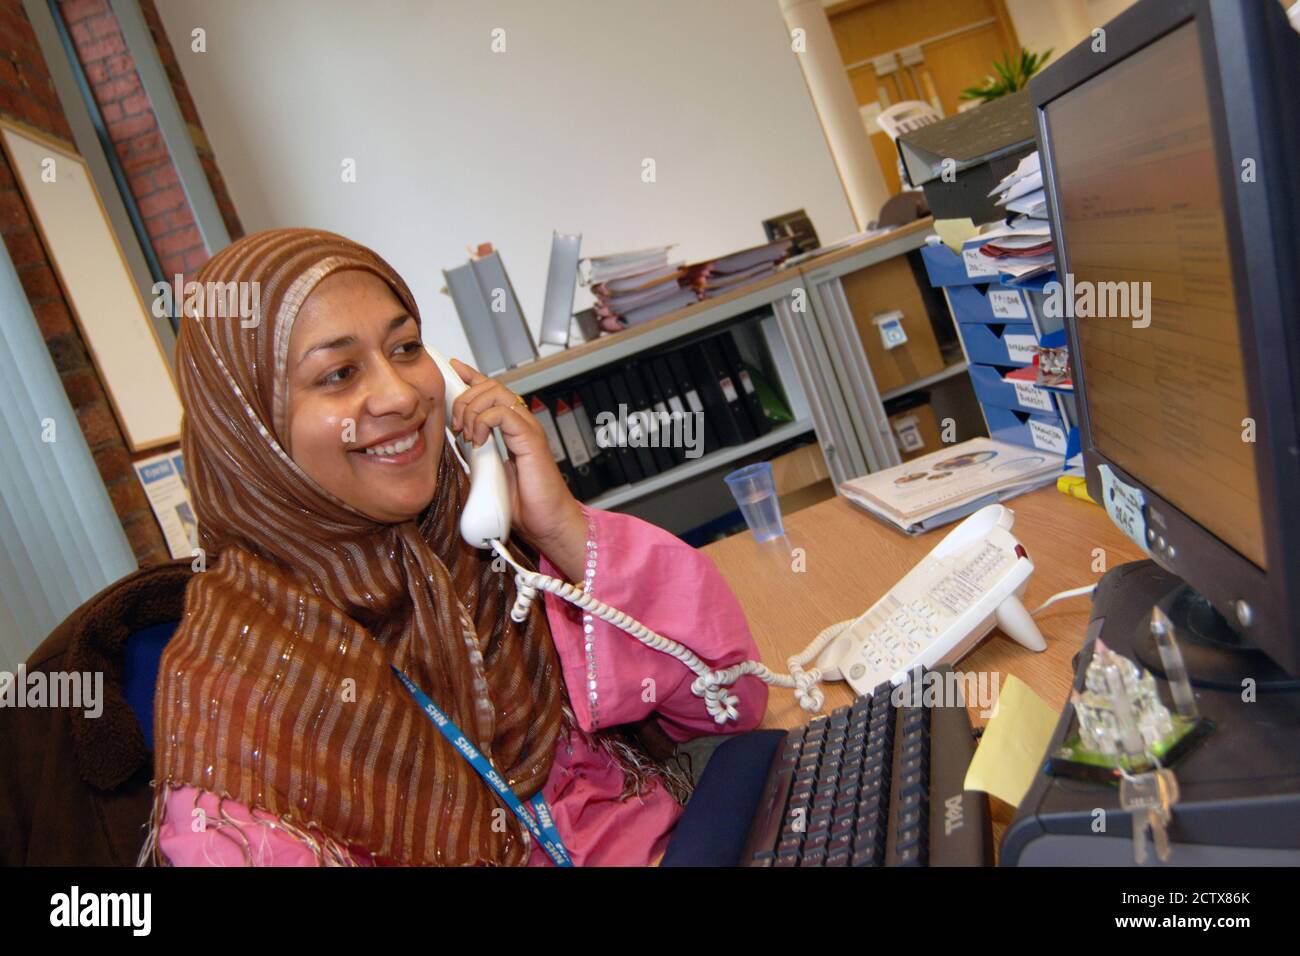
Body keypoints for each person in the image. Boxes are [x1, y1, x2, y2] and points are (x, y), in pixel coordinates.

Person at [141, 228, 767, 866]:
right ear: (249, 432)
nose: (403, 395)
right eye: (338, 373)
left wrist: (563, 533)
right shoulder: (235, 707)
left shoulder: (500, 559)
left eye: (406, 347)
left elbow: (731, 705)